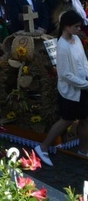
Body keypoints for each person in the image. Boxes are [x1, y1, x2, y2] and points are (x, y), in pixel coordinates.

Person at [35, 10, 88, 167]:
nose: (80, 29)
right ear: (67, 26)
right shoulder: (62, 46)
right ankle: (43, 147)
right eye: (77, 26)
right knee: (67, 120)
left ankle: (83, 151)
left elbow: (84, 62)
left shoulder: (77, 39)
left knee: (85, 119)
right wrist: (86, 84)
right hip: (71, 92)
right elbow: (65, 75)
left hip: (83, 87)